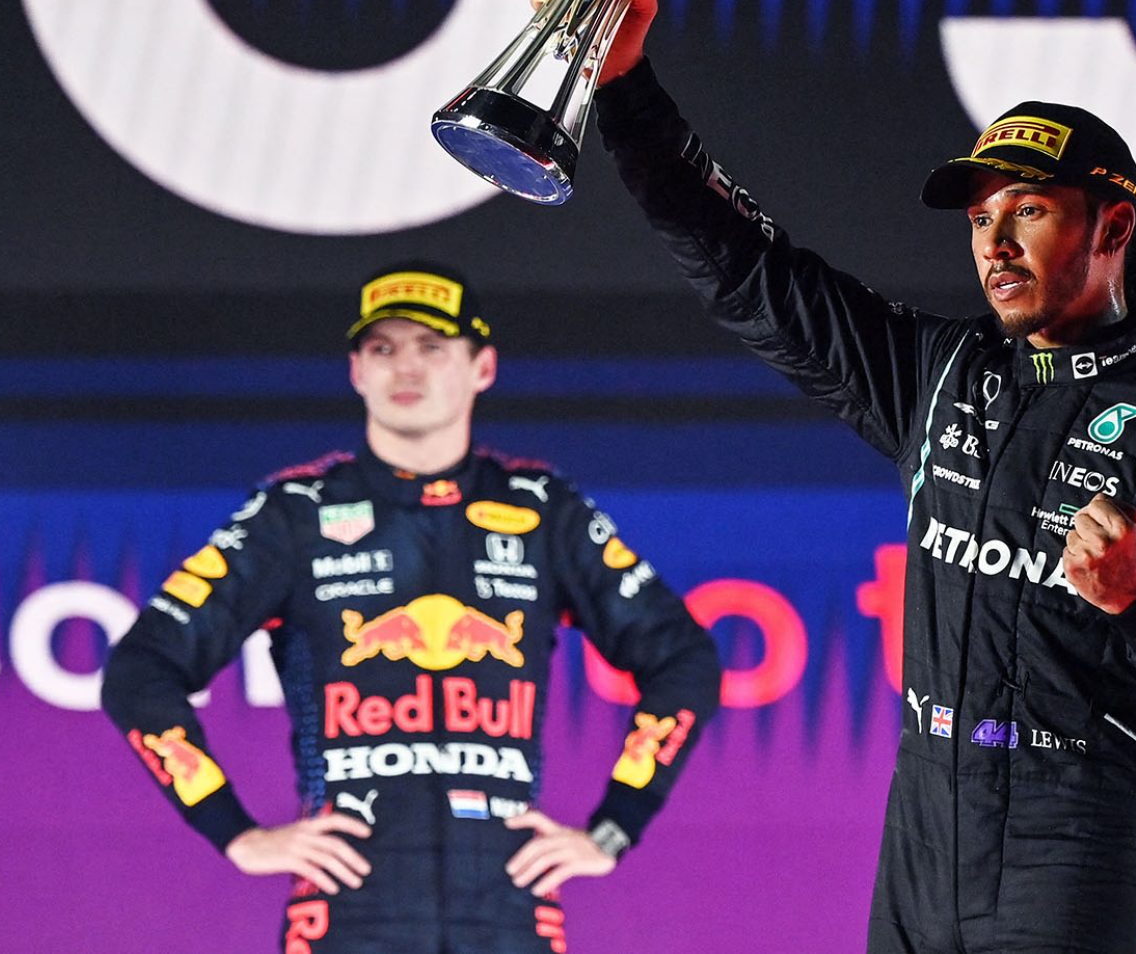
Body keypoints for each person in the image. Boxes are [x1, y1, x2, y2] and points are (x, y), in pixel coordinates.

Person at [534, 0, 1136, 952]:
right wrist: (623, 83)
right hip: (924, 827)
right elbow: (746, 271)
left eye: (1027, 210)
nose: (994, 243)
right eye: (981, 218)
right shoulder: (941, 374)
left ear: (1113, 224)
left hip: (1076, 832)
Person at [100, 260, 722, 954]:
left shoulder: (544, 511)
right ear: (356, 371)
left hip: (509, 912)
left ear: (483, 367)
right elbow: (141, 671)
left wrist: (615, 826)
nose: (406, 368)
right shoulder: (295, 514)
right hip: (347, 912)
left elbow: (684, 659)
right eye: (383, 348)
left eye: (432, 346)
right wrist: (233, 830)